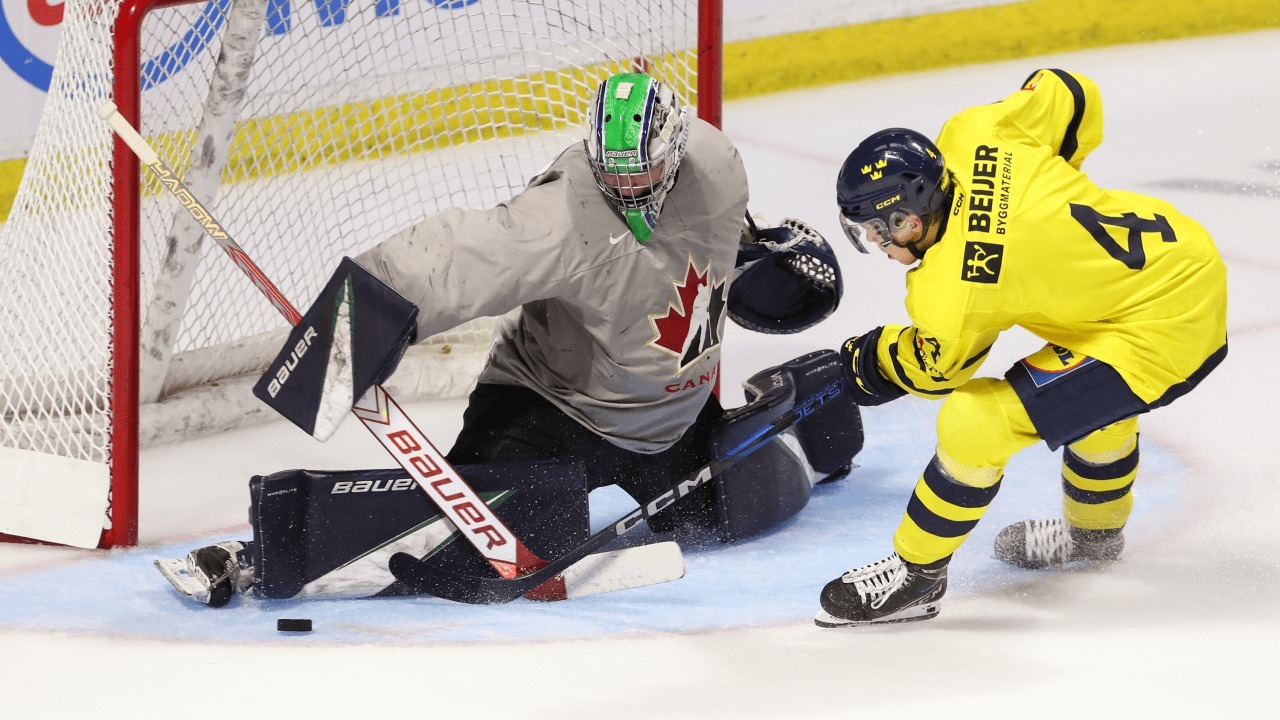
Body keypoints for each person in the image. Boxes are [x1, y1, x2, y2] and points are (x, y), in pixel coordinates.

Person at [156, 71, 863, 607]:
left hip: (672, 416)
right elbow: (455, 255)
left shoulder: (719, 165)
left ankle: (808, 405)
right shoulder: (562, 217)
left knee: (741, 509)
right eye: (615, 173)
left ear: (676, 147)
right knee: (483, 558)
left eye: (644, 172)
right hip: (552, 412)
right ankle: (257, 555)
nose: (631, 190)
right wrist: (357, 323)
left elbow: (702, 254)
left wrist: (753, 255)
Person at [814, 68, 1228, 628]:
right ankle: (1094, 538)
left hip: (1164, 325)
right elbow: (1070, 90)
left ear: (910, 219)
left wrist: (870, 358)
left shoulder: (957, 287)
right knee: (1087, 395)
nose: (876, 243)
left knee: (974, 421)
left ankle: (917, 576)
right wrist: (1052, 188)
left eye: (880, 230)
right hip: (1179, 254)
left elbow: (939, 371)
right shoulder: (974, 133)